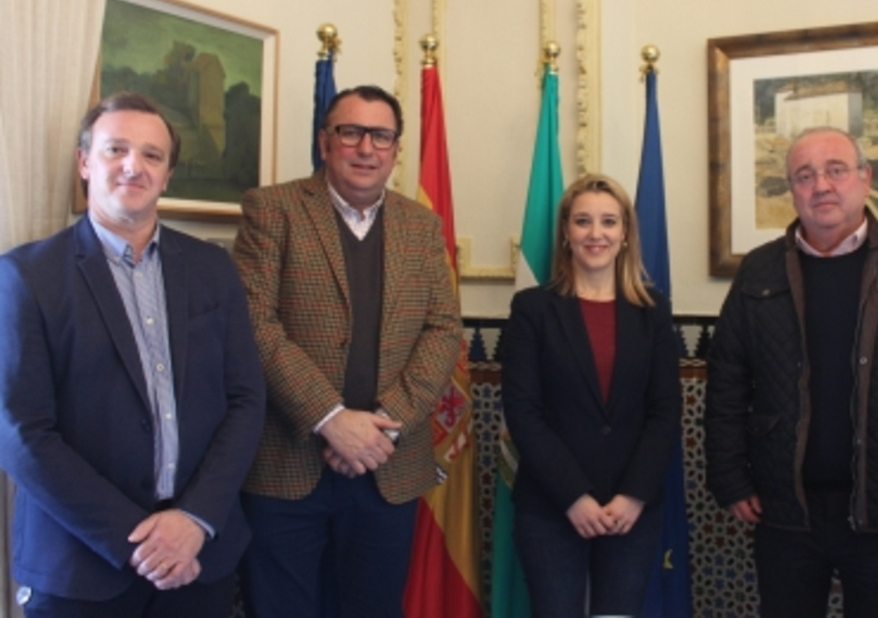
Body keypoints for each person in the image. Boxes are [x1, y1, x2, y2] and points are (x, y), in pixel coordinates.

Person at [0, 92, 266, 617]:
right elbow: (21, 432)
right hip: (81, 568)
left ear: (167, 175)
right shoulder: (26, 276)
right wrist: (138, 541)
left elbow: (245, 400)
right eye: (116, 149)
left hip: (201, 556)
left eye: (152, 155)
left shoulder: (213, 269)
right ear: (84, 162)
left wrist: (195, 520)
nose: (133, 166)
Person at [704, 126, 878, 618]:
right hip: (785, 506)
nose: (821, 185)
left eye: (835, 170)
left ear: (864, 178)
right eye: (805, 175)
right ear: (792, 190)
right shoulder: (759, 271)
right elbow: (728, 381)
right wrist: (729, 478)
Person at [232, 84, 462, 618]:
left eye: (380, 136)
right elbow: (253, 324)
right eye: (351, 132)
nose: (366, 148)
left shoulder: (421, 226)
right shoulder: (273, 209)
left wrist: (385, 424)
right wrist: (329, 417)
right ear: (325, 141)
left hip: (388, 465)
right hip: (286, 468)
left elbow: (443, 329)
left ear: (396, 149)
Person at [500, 173, 682, 617]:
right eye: (583, 221)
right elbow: (524, 414)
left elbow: (665, 412)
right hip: (551, 506)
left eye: (608, 221)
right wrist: (574, 497)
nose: (595, 233)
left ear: (625, 233)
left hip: (630, 508)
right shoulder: (532, 309)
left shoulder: (653, 311)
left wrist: (632, 496)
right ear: (566, 233)